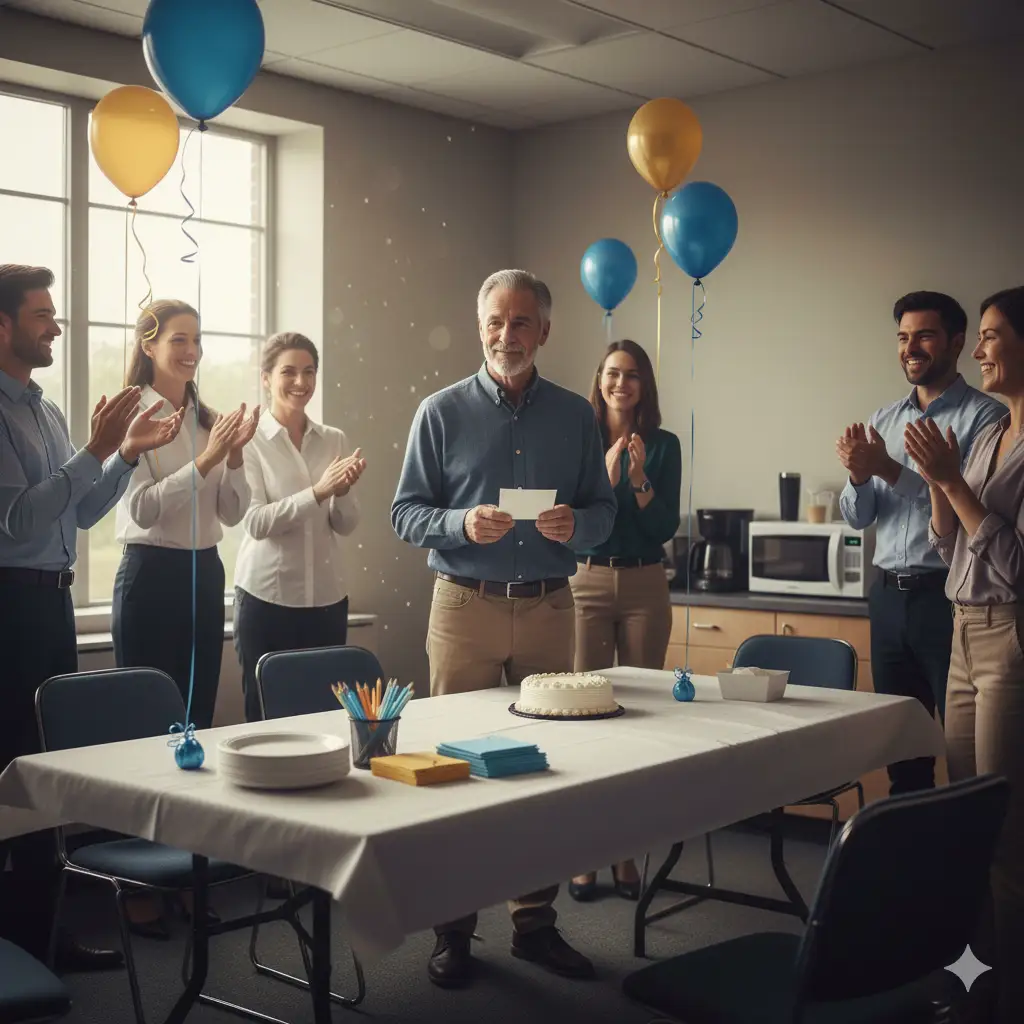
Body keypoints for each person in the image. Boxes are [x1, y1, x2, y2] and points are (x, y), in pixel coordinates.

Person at [391, 269, 616, 989]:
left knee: (542, 769)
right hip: (464, 606)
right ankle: (453, 931)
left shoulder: (577, 418)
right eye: (495, 320)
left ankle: (534, 925)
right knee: (454, 768)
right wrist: (459, 522)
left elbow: (605, 512)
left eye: (522, 323)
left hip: (552, 606)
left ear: (545, 331)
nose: (506, 335)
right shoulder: (440, 411)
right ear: (479, 324)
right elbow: (405, 513)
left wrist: (577, 524)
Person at [0, 265, 181, 970]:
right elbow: (15, 522)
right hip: (9, 604)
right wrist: (96, 451)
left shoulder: (44, 409)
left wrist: (124, 458)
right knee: (12, 768)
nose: (55, 325)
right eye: (42, 314)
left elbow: (75, 514)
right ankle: (14, 953)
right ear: (4, 325)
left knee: (48, 765)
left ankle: (45, 939)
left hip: (50, 602)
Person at [905, 286, 1024, 1024]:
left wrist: (949, 481)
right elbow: (949, 542)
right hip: (962, 632)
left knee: (1007, 834)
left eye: (990, 335)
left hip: (1012, 635)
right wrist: (934, 480)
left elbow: (1013, 561)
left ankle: (1011, 997)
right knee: (964, 825)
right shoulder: (989, 435)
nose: (979, 349)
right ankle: (976, 977)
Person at [837, 291, 1004, 795]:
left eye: (924, 336)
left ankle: (964, 868)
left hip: (947, 598)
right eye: (903, 337)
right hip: (887, 598)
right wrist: (860, 478)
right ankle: (907, 868)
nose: (911, 347)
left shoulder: (986, 418)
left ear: (957, 343)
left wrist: (888, 469)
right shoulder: (884, 418)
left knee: (961, 753)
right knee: (900, 750)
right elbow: (857, 518)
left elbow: (961, 510)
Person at [567, 339, 680, 903]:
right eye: (612, 373)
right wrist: (608, 474)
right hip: (584, 581)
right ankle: (584, 854)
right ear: (600, 379)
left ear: (644, 385)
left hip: (643, 584)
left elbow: (662, 526)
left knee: (640, 720)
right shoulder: (578, 441)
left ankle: (626, 855)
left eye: (632, 375)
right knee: (585, 718)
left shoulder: (664, 445)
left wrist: (638, 478)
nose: (621, 384)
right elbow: (571, 521)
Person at [233, 332, 366, 723]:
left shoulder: (334, 438)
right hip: (265, 602)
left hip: (327, 601)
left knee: (325, 718)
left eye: (309, 372)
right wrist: (319, 490)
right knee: (266, 716)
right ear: (266, 378)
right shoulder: (249, 440)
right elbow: (256, 522)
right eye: (288, 372)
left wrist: (341, 492)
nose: (300, 382)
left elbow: (345, 524)